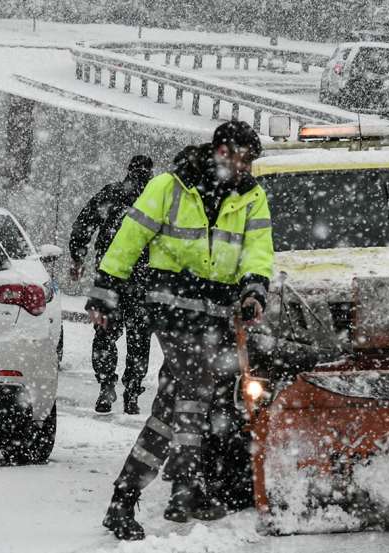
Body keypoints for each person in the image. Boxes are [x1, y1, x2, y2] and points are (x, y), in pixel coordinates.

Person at [88, 121, 273, 541]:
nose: (244, 167)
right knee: (195, 393)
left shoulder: (251, 196)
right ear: (220, 150)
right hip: (172, 312)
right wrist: (106, 290)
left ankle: (127, 497)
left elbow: (257, 250)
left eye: (250, 161)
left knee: (172, 407)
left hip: (216, 316)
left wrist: (254, 289)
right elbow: (130, 237)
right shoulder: (170, 187)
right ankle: (185, 489)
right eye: (240, 157)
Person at [71, 155, 155, 415]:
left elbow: (85, 223)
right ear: (150, 175)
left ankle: (107, 385)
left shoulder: (114, 194)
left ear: (128, 171)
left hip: (109, 278)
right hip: (143, 281)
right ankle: (132, 392)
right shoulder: (155, 201)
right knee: (139, 340)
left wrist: (77, 255)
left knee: (105, 334)